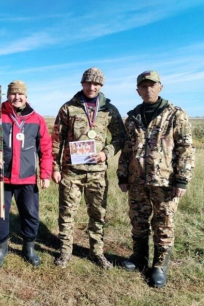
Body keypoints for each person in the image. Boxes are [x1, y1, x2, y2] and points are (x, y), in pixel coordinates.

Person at [117, 70, 195, 288]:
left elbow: (185, 148)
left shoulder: (175, 114)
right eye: (143, 86)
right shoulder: (133, 116)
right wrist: (122, 174)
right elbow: (126, 149)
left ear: (161, 87)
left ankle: (159, 266)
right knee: (138, 221)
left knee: (164, 223)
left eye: (152, 85)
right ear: (137, 90)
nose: (148, 89)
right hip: (136, 181)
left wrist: (181, 179)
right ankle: (139, 258)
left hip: (165, 182)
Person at [52, 67, 125, 269]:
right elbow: (57, 141)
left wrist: (106, 153)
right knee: (67, 213)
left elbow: (121, 138)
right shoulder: (68, 108)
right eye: (88, 82)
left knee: (98, 213)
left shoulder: (109, 110)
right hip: (71, 172)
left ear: (101, 85)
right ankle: (65, 251)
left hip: (97, 173)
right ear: (82, 83)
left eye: (96, 83)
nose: (92, 87)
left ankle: (97, 252)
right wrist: (55, 168)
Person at [0, 80, 52, 268]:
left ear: (26, 97)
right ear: (8, 95)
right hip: (2, 178)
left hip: (27, 178)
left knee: (31, 214)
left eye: (20, 94)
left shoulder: (37, 120)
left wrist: (45, 174)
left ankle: (29, 247)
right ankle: (1, 248)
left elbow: (46, 149)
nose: (17, 97)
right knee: (0, 214)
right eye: (13, 94)